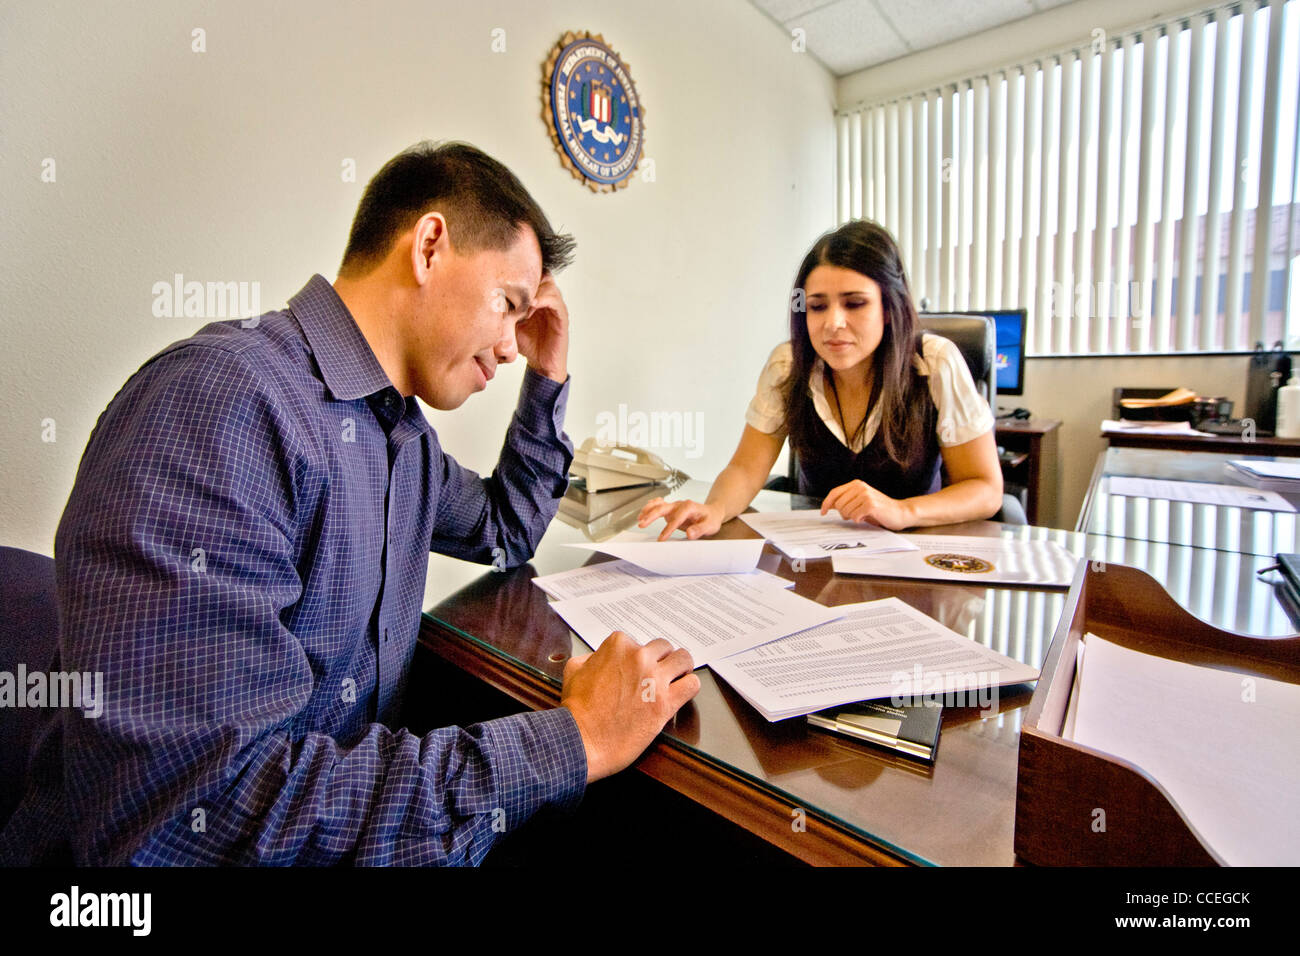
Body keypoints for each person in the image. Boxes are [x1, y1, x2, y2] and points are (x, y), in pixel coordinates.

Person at [0, 141, 699, 866]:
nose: (512, 343)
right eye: (509, 305)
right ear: (430, 246)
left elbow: (505, 532)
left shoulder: (403, 442)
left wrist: (548, 378)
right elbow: (194, 819)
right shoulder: (226, 403)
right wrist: (573, 741)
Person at [639, 219, 1003, 540]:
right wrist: (715, 509)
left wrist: (902, 511)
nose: (833, 323)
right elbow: (746, 468)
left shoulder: (933, 362)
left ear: (889, 309)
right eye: (817, 306)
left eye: (855, 304)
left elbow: (986, 488)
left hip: (914, 553)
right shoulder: (788, 365)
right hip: (819, 558)